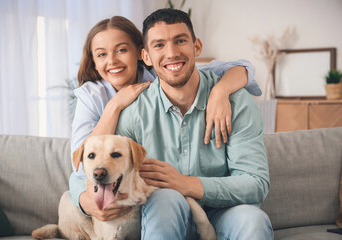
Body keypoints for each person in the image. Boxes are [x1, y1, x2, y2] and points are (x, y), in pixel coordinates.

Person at [68, 14, 266, 237]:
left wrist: (186, 184)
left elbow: (256, 183)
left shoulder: (234, 101)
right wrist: (87, 200)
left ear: (197, 46)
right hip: (164, 210)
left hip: (226, 212)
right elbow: (83, 169)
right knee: (164, 198)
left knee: (253, 220)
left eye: (180, 41)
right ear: (147, 55)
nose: (171, 53)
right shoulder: (126, 109)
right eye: (159, 45)